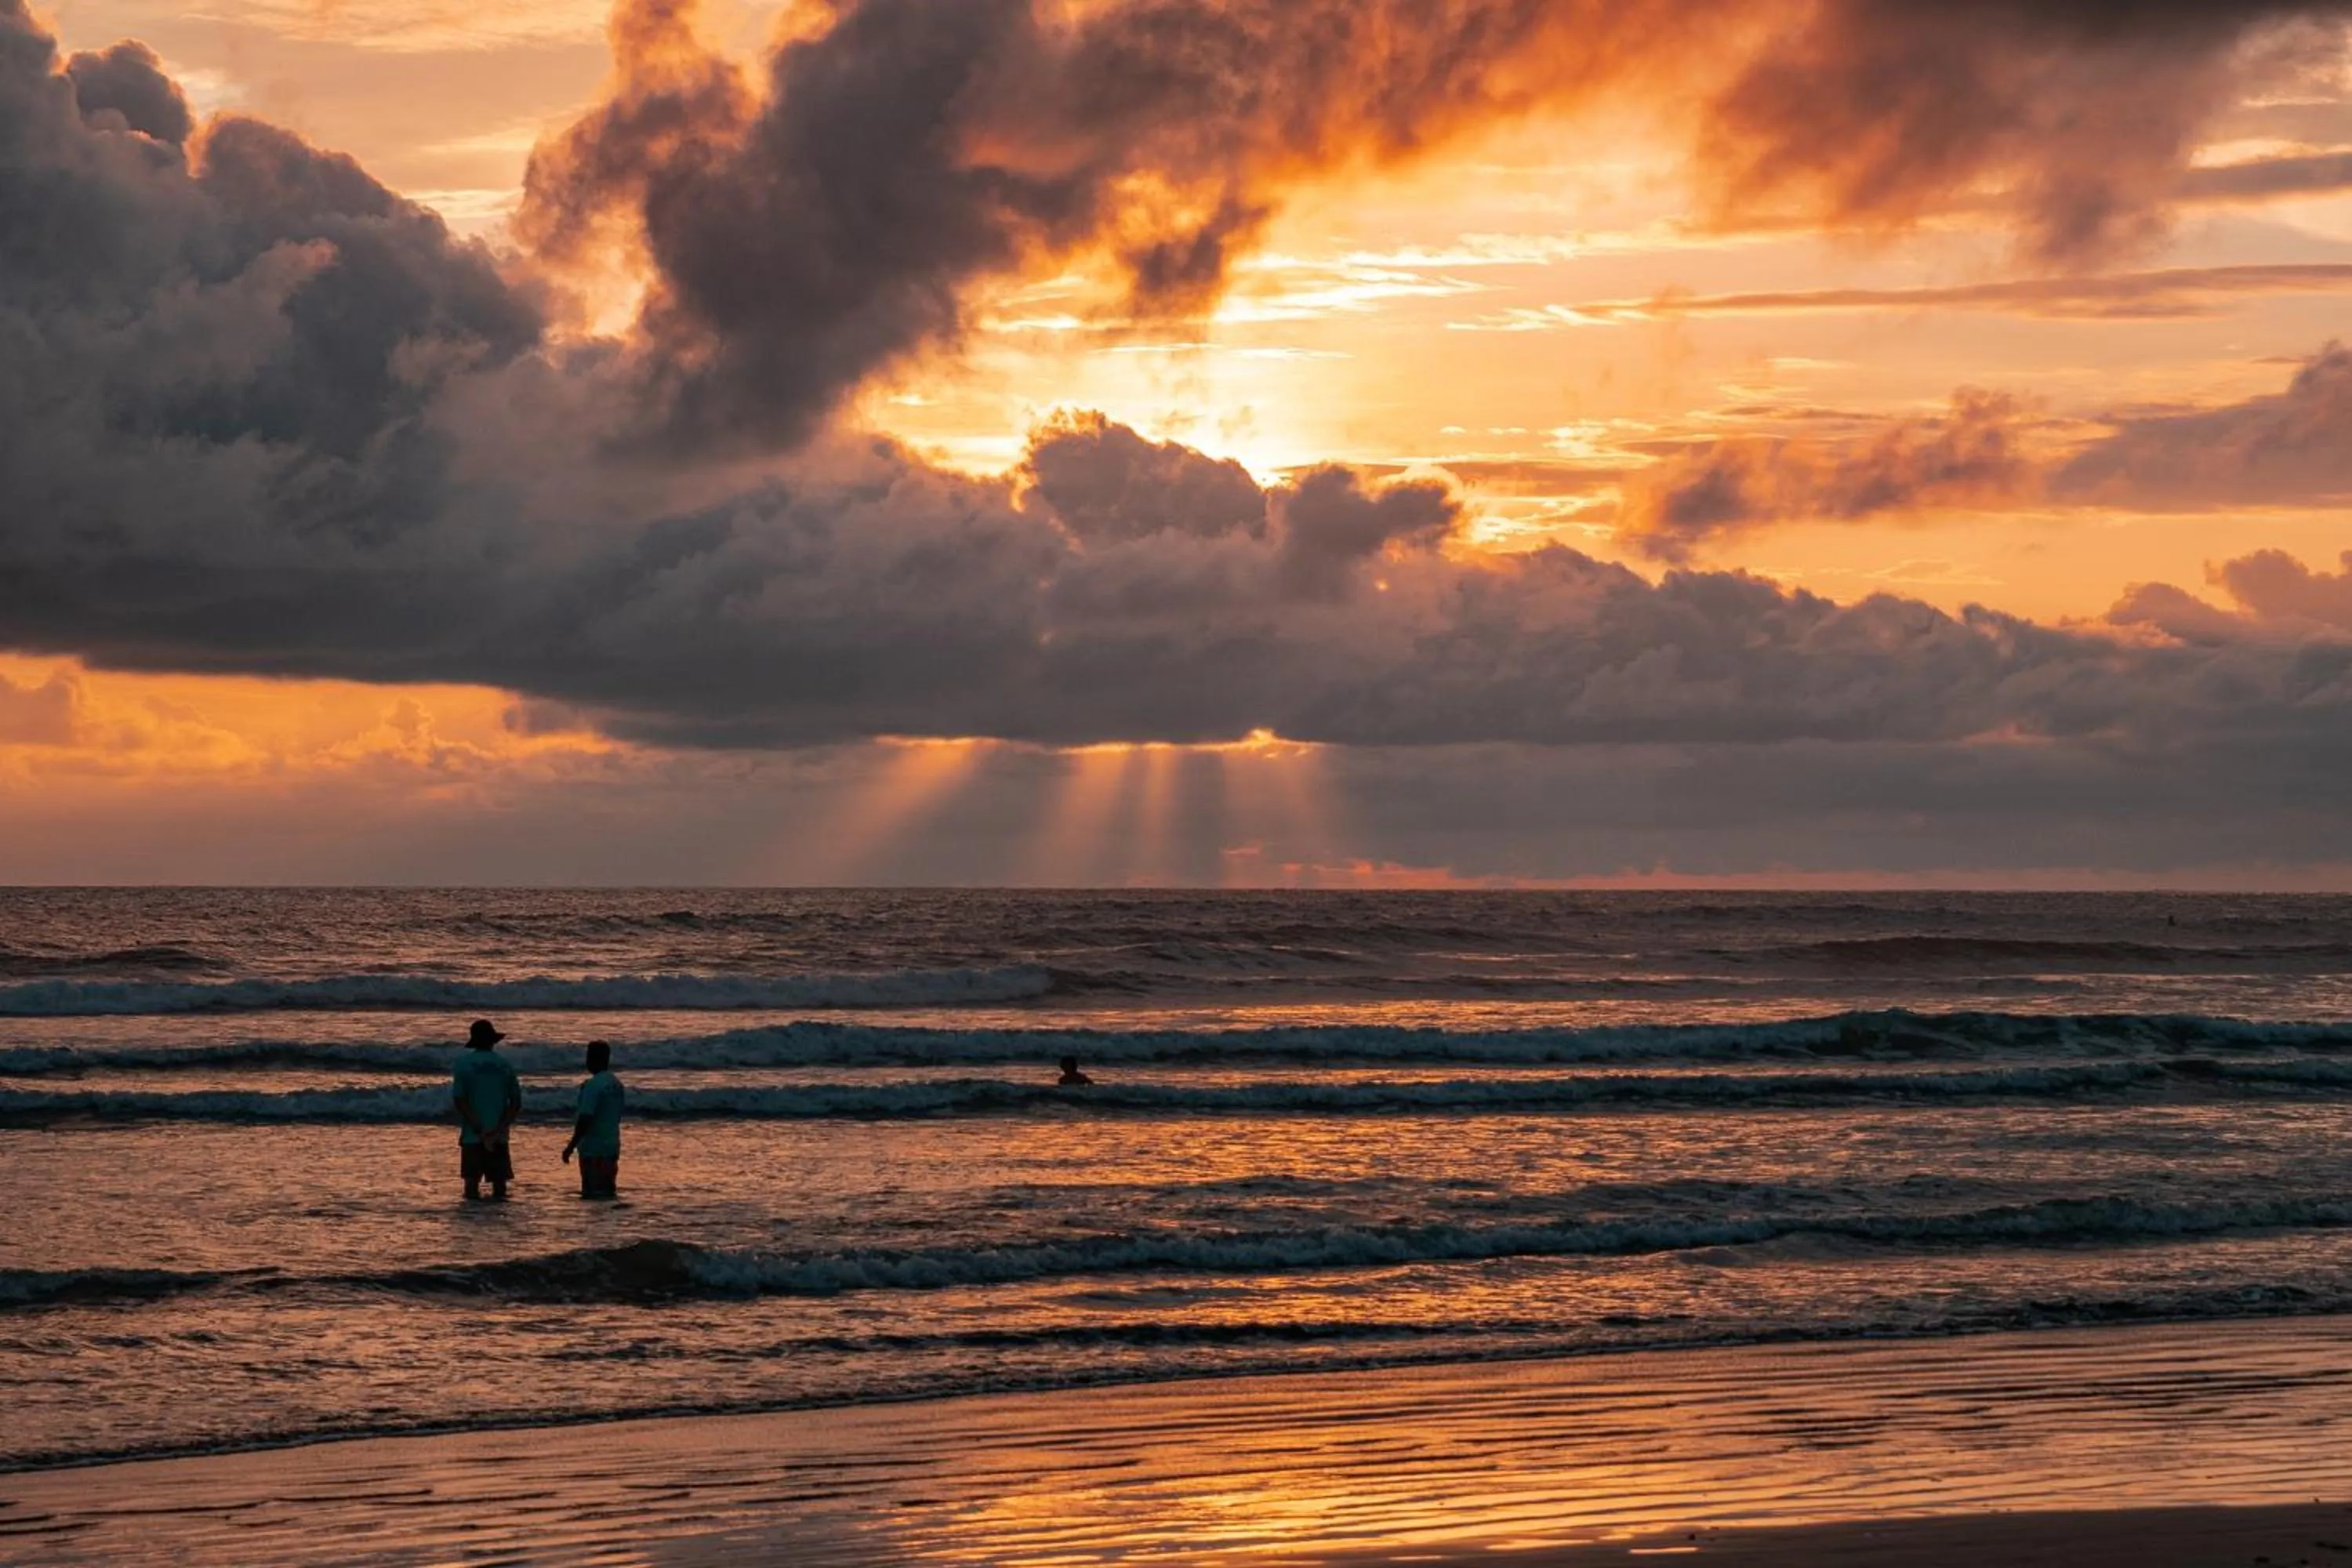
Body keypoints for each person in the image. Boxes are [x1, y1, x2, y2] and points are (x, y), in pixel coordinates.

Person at [451, 1018, 521, 1201]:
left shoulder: (463, 1064)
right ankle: (497, 1219)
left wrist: (477, 1126)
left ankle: (473, 1216)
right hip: (499, 1136)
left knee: (471, 1187)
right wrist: (498, 1130)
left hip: (472, 1134)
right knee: (500, 1189)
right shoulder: (504, 1065)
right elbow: (515, 1103)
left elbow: (460, 1100)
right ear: (492, 1041)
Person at [561, 1040, 624, 1200]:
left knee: (592, 1194)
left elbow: (585, 1119)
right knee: (608, 1191)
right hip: (611, 1145)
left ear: (593, 1059)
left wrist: (571, 1146)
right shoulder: (616, 1083)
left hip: (593, 1148)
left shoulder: (593, 1086)